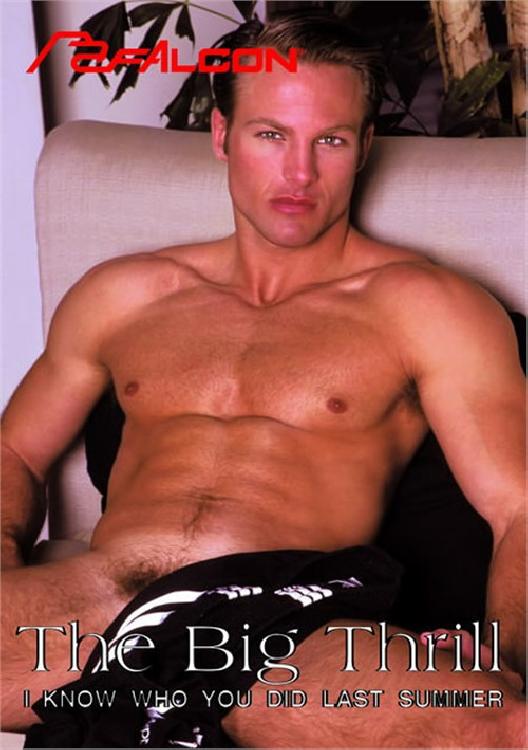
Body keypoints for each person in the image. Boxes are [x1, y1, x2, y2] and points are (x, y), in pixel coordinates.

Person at [1, 13, 525, 746]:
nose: (299, 174)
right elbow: (15, 452)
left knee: (500, 726)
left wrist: (506, 656)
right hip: (91, 610)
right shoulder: (123, 295)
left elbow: (518, 507)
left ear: (365, 146)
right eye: (272, 135)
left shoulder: (428, 307)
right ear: (223, 135)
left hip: (280, 632)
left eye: (330, 140)